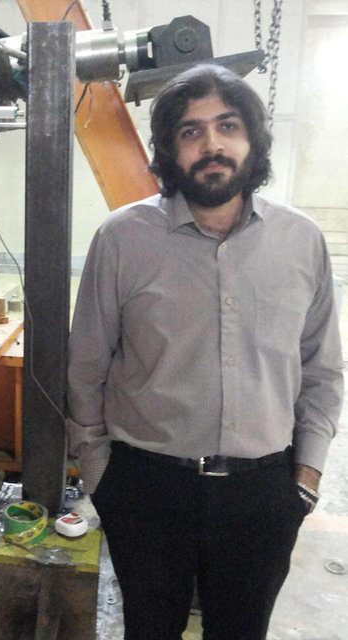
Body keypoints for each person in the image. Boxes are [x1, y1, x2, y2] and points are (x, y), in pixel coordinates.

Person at [67, 63, 344, 640]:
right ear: (168, 150)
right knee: (149, 630)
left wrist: (306, 477)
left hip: (263, 493)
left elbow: (322, 369)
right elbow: (86, 366)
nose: (211, 144)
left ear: (253, 140)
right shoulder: (122, 240)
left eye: (228, 126)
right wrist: (101, 479)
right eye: (190, 131)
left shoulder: (300, 241)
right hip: (147, 490)